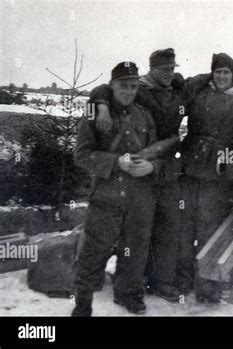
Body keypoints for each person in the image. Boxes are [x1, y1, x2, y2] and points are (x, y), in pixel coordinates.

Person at [88, 49, 233, 302]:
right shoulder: (142, 89)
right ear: (151, 69)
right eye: (163, 69)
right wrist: (100, 107)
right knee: (146, 227)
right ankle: (131, 280)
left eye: (171, 68)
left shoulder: (184, 89)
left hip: (172, 164)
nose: (169, 73)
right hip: (143, 159)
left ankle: (173, 282)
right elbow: (106, 88)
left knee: (174, 225)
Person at [72, 62, 162, 316]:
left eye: (134, 86)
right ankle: (83, 300)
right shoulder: (95, 114)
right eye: (123, 85)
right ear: (112, 86)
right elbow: (81, 155)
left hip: (139, 196)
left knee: (134, 249)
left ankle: (128, 294)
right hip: (107, 194)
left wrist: (151, 167)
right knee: (94, 250)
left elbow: (157, 152)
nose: (129, 91)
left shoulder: (144, 115)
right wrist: (115, 162)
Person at [179, 53, 233, 303]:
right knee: (183, 227)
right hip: (189, 168)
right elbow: (185, 87)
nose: (222, 77)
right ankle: (181, 282)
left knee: (208, 229)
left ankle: (207, 288)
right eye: (217, 72)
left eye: (227, 72)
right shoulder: (200, 95)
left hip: (217, 176)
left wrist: (230, 157)